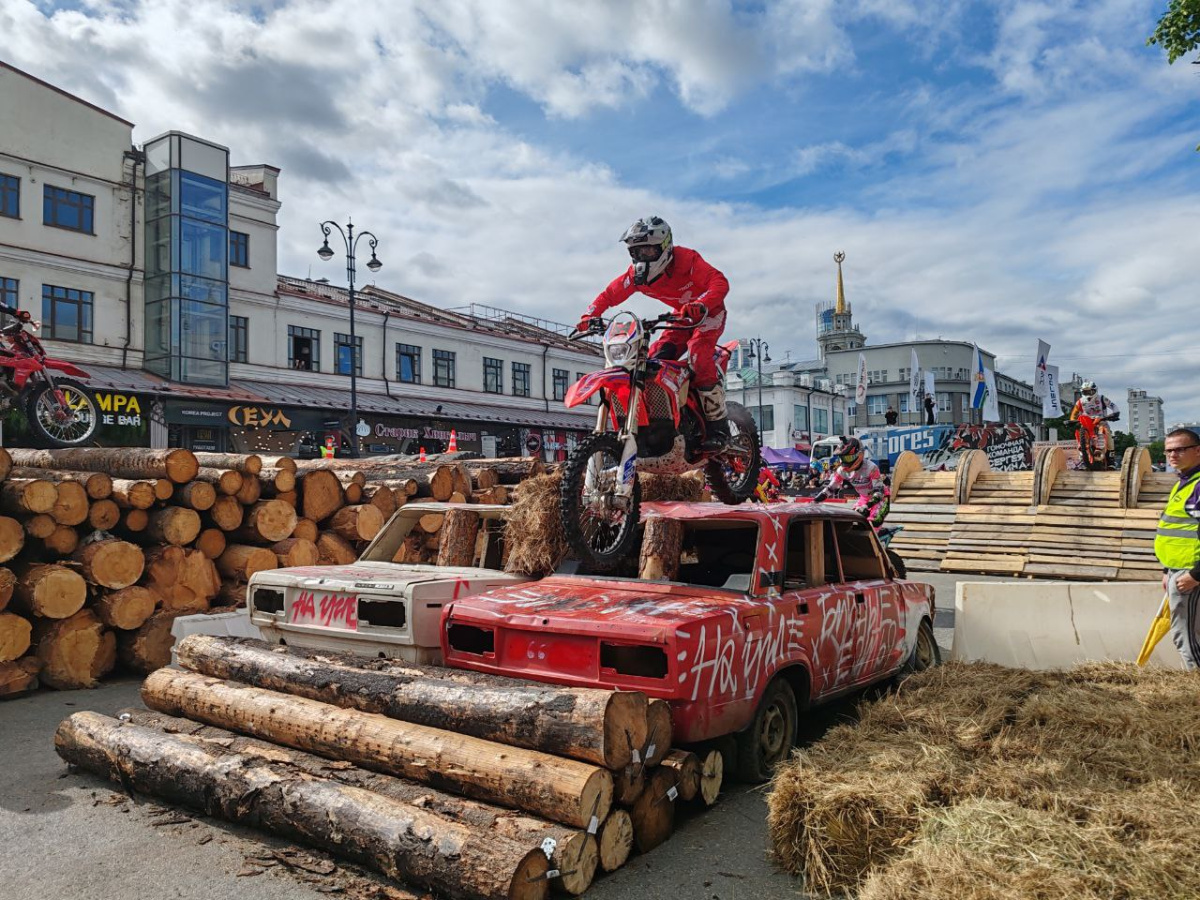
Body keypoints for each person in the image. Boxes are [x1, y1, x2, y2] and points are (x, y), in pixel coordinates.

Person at [578, 216, 731, 451]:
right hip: (680, 318)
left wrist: (702, 303)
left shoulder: (687, 260)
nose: (642, 257)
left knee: (698, 355)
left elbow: (719, 282)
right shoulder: (636, 276)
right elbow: (609, 294)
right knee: (653, 362)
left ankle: (718, 427)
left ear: (665, 246)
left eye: (648, 250)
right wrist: (589, 316)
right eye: (636, 252)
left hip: (708, 314)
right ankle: (665, 421)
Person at [1155, 428, 1200, 669]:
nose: (1173, 455)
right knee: (1191, 634)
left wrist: (1194, 575)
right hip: (1179, 570)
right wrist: (1167, 569)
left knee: (1185, 637)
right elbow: (1175, 531)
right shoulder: (1185, 482)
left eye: (1180, 449)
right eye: (1169, 450)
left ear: (1198, 451)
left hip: (1189, 573)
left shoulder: (1198, 486)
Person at [813, 437, 890, 527]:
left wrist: (866, 506)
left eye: (848, 458)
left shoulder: (871, 467)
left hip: (880, 498)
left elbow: (879, 493)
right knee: (853, 521)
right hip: (864, 498)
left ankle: (878, 537)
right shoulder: (841, 470)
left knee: (875, 521)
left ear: (859, 454)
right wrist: (814, 501)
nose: (845, 462)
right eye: (842, 458)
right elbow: (830, 488)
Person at [1069, 380, 1120, 467]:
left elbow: (1113, 406)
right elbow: (1074, 413)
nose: (1088, 394)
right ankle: (1082, 459)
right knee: (1080, 437)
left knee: (1109, 438)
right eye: (1085, 392)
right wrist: (1072, 421)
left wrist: (1115, 413)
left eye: (1090, 391)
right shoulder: (1080, 402)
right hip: (1087, 424)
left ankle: (1111, 460)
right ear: (1082, 392)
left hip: (1101, 422)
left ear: (1095, 390)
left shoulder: (1102, 398)